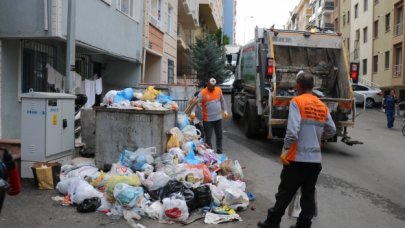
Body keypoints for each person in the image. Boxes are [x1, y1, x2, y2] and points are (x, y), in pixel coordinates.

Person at [258, 72, 336, 228]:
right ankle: (303, 224)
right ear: (312, 87)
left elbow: (293, 130)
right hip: (315, 160)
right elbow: (332, 129)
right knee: (308, 194)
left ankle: (272, 222)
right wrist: (319, 138)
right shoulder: (322, 105)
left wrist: (285, 149)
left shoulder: (297, 102)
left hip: (297, 159)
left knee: (285, 192)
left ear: (298, 86)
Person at [191, 78, 228, 154]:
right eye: (211, 86)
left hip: (218, 118)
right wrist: (193, 112)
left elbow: (222, 100)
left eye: (213, 86)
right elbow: (194, 102)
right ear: (207, 84)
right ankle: (209, 153)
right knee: (208, 137)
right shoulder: (203, 93)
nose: (212, 88)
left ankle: (219, 150)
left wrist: (225, 110)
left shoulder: (218, 90)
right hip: (208, 120)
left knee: (219, 135)